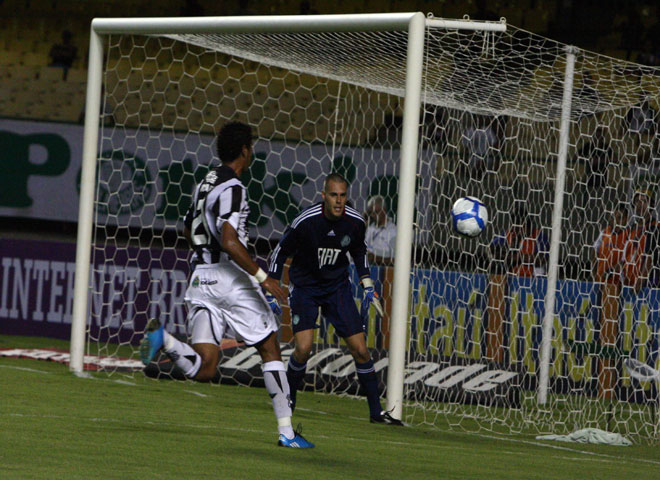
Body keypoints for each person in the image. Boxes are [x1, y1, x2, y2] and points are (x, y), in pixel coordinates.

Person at [139, 121, 314, 448]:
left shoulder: (204, 183)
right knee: (270, 346)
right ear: (245, 150)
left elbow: (190, 230)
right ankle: (287, 432)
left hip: (200, 277)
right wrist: (264, 278)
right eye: (251, 147)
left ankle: (164, 338)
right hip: (228, 278)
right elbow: (231, 241)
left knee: (205, 367)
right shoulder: (234, 187)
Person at [266, 173, 403, 426]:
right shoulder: (305, 221)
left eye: (342, 196)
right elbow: (280, 251)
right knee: (303, 349)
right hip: (305, 287)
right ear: (323, 196)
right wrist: (271, 284)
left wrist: (368, 284)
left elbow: (359, 251)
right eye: (333, 195)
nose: (339, 201)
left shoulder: (355, 222)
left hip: (336, 288)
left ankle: (376, 413)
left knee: (361, 350)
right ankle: (288, 401)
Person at [490, 203, 549, 277]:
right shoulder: (509, 234)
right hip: (512, 276)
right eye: (514, 224)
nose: (515, 229)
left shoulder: (539, 236)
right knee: (496, 266)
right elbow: (492, 247)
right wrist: (503, 254)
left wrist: (517, 258)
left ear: (527, 225)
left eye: (519, 224)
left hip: (534, 278)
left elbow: (541, 260)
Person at [622, 189, 659, 292]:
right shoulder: (632, 228)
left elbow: (650, 256)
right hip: (628, 285)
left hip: (646, 286)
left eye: (644, 201)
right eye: (637, 201)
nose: (640, 204)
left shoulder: (655, 227)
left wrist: (640, 282)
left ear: (650, 205)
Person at [593, 202, 629, 285]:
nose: (616, 221)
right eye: (614, 218)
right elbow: (595, 250)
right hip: (599, 281)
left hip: (617, 284)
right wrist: (594, 272)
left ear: (626, 220)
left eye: (620, 218)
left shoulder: (628, 236)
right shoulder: (604, 233)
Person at [363, 195, 396, 265]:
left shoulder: (393, 231)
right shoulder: (369, 228)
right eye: (370, 212)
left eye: (375, 212)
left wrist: (375, 258)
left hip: (383, 271)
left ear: (384, 210)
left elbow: (396, 260)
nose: (372, 215)